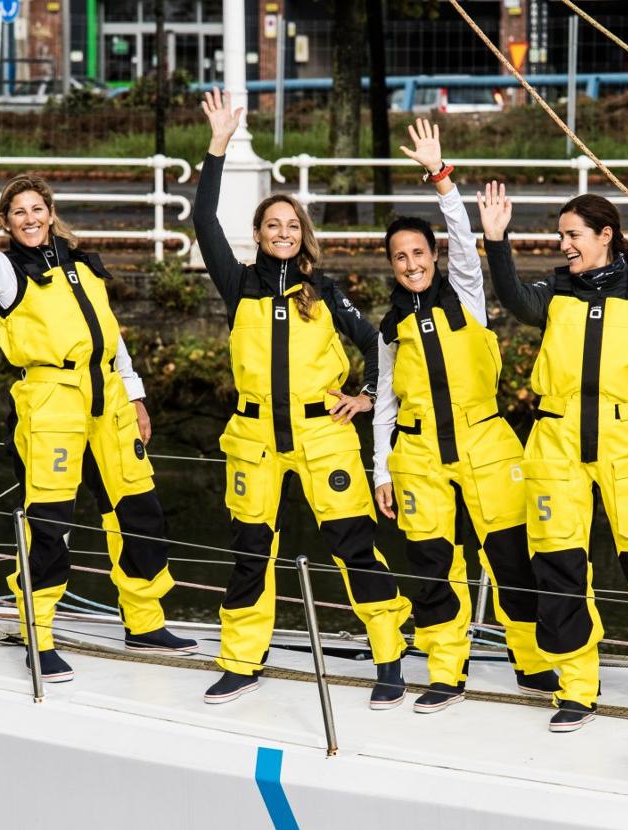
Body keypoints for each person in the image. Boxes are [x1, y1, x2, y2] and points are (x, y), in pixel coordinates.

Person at [0, 127, 197, 683]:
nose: (29, 218)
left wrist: (137, 393)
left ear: (51, 213)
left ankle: (144, 622)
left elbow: (112, 335)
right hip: (51, 402)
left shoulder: (84, 265)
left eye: (37, 208)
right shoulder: (9, 275)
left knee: (140, 512)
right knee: (50, 524)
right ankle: (40, 634)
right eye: (18, 212)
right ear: (7, 223)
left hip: (110, 402)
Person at [194, 89, 412, 708]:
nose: (283, 233)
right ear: (259, 235)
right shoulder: (238, 287)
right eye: (272, 225)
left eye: (292, 225)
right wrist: (217, 147)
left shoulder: (326, 291)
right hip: (256, 438)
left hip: (325, 436)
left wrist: (369, 396)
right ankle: (241, 660)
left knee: (352, 547)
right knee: (249, 553)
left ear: (302, 235)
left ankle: (389, 655)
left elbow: (379, 346)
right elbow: (203, 222)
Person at [477, 183, 628, 732]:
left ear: (605, 235)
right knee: (559, 567)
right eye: (560, 235)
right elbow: (516, 300)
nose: (564, 244)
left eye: (573, 235)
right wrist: (496, 240)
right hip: (556, 439)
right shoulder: (557, 288)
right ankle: (576, 686)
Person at [372, 119, 559, 713]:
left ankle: (533, 663)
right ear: (393, 265)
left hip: (486, 445)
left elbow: (461, 233)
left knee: (510, 558)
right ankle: (445, 670)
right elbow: (383, 405)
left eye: (419, 252)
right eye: (400, 257)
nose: (411, 263)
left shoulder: (466, 297)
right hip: (418, 454)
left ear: (433, 256)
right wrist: (381, 471)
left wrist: (440, 176)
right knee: (430, 565)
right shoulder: (389, 329)